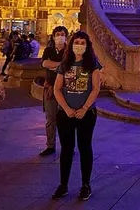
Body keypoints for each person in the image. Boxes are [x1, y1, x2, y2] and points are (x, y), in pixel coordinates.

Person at [51, 31, 101, 202]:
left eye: (82, 43)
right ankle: (63, 184)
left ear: (87, 46)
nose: (79, 45)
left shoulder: (93, 64)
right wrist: (66, 108)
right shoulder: (65, 64)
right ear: (71, 45)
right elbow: (57, 88)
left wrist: (85, 108)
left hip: (86, 114)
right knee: (66, 149)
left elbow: (95, 88)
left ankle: (86, 185)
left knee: (85, 147)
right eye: (76, 42)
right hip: (65, 113)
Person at [40, 26, 68, 157]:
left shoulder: (70, 51)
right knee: (50, 119)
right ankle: (50, 146)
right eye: (58, 34)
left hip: (66, 90)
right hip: (50, 88)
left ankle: (67, 147)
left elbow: (71, 66)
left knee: (67, 119)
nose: (60, 36)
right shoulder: (49, 50)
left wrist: (54, 65)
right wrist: (62, 65)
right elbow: (45, 63)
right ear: (53, 36)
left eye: (63, 34)